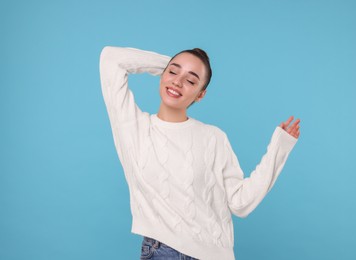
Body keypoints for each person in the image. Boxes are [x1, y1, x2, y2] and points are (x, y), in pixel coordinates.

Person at [100, 46, 300, 260]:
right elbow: (112, 58)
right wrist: (171, 66)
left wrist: (279, 148)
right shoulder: (133, 128)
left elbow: (240, 203)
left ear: (201, 94)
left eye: (191, 81)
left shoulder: (214, 137)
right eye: (173, 72)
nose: (177, 82)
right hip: (164, 252)